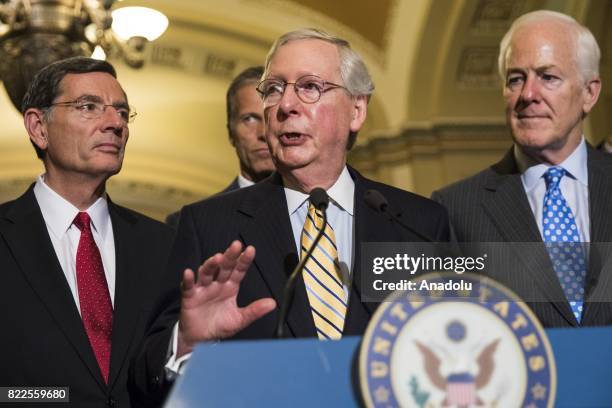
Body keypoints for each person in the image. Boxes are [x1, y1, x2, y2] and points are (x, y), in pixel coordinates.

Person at [132, 28, 450, 400]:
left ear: (357, 110)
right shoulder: (208, 226)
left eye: (310, 87)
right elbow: (144, 375)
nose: (285, 105)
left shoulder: (419, 224)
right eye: (274, 89)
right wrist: (187, 344)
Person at [0, 57, 175, 407]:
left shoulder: (164, 244)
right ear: (39, 128)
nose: (115, 123)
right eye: (89, 106)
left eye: (123, 112)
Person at [432, 10, 612, 327]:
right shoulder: (455, 210)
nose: (528, 95)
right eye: (516, 79)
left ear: (589, 93)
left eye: (548, 77)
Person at [165, 66, 274, 227]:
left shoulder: (317, 209)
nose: (263, 133)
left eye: (272, 117)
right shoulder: (191, 223)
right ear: (231, 132)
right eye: (249, 119)